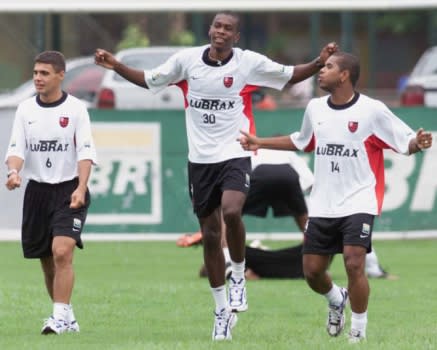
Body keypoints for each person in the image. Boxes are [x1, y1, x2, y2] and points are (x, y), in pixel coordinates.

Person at [95, 11, 338, 341]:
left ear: (236, 37)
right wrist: (116, 66)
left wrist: (317, 61)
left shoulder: (247, 63)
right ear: (210, 30)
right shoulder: (186, 61)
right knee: (210, 234)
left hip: (236, 152)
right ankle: (221, 311)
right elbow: (149, 79)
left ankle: (238, 274)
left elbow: (290, 75)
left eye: (228, 29)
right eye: (217, 26)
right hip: (200, 161)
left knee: (233, 211)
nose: (221, 32)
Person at [238, 51, 433, 343]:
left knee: (354, 262)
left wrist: (417, 143)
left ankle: (358, 332)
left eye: (328, 67)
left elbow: (404, 141)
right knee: (313, 272)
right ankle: (335, 298)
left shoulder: (372, 110)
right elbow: (301, 140)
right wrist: (259, 141)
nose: (321, 71)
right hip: (323, 204)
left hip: (360, 200)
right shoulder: (315, 109)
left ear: (344, 75)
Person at [4, 51, 97, 335]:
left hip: (69, 190)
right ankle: (66, 316)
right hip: (37, 192)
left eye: (44, 73)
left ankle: (56, 318)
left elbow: (85, 152)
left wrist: (81, 188)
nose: (38, 78)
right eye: (35, 73)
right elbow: (16, 150)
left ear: (60, 75)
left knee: (61, 252)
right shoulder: (25, 110)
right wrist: (14, 172)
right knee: (47, 259)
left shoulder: (77, 109)